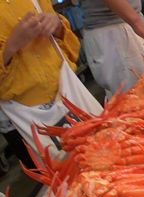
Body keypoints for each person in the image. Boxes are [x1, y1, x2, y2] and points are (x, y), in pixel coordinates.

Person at [0, 0, 82, 159]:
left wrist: (57, 25)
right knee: (62, 179)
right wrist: (10, 47)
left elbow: (70, 48)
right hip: (19, 117)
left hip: (67, 95)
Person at [80, 0, 144, 98]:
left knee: (143, 93)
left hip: (119, 27)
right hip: (114, 32)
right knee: (136, 100)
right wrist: (137, 22)